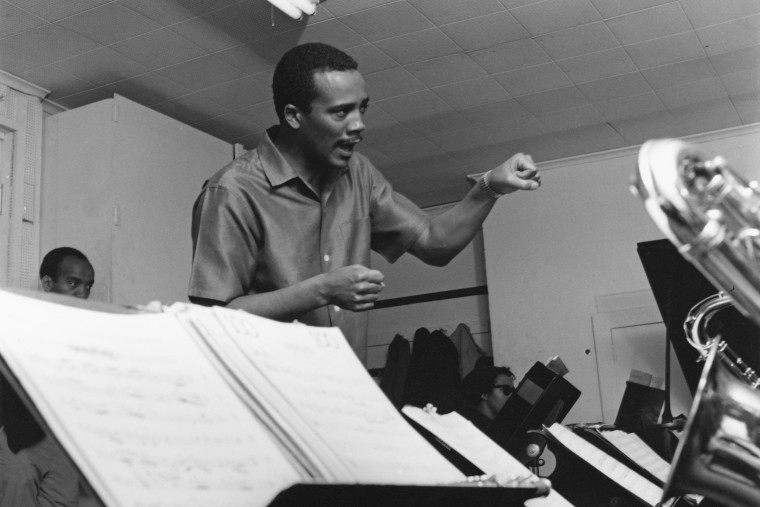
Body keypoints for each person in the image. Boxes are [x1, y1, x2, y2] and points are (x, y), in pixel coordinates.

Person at [189, 42, 541, 363]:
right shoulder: (233, 191)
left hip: (347, 390)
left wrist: (489, 187)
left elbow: (436, 244)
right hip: (268, 399)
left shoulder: (358, 173)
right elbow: (214, 320)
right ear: (294, 116)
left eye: (362, 109)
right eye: (341, 112)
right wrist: (322, 289)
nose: (359, 125)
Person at [0, 248, 94, 506]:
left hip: (66, 450)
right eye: (73, 283)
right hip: (21, 444)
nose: (83, 293)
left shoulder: (92, 332)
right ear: (47, 283)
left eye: (88, 286)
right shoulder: (16, 321)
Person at [459, 366, 517, 432]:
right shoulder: (471, 428)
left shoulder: (500, 426)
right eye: (506, 389)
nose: (511, 395)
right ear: (485, 394)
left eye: (513, 391)